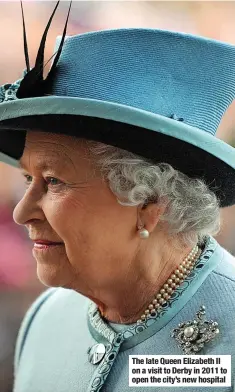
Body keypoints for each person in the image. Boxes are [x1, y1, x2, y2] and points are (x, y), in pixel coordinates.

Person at [0, 5, 235, 392]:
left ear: (149, 203)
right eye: (28, 178)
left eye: (54, 181)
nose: (22, 212)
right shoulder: (45, 322)